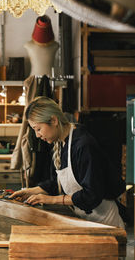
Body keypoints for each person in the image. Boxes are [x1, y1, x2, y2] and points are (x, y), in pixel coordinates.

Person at [10, 96, 126, 228]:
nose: (37, 135)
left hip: (104, 223)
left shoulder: (83, 145)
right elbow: (57, 182)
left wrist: (53, 200)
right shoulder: (60, 144)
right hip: (84, 219)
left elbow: (92, 195)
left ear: (53, 120)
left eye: (38, 129)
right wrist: (31, 191)